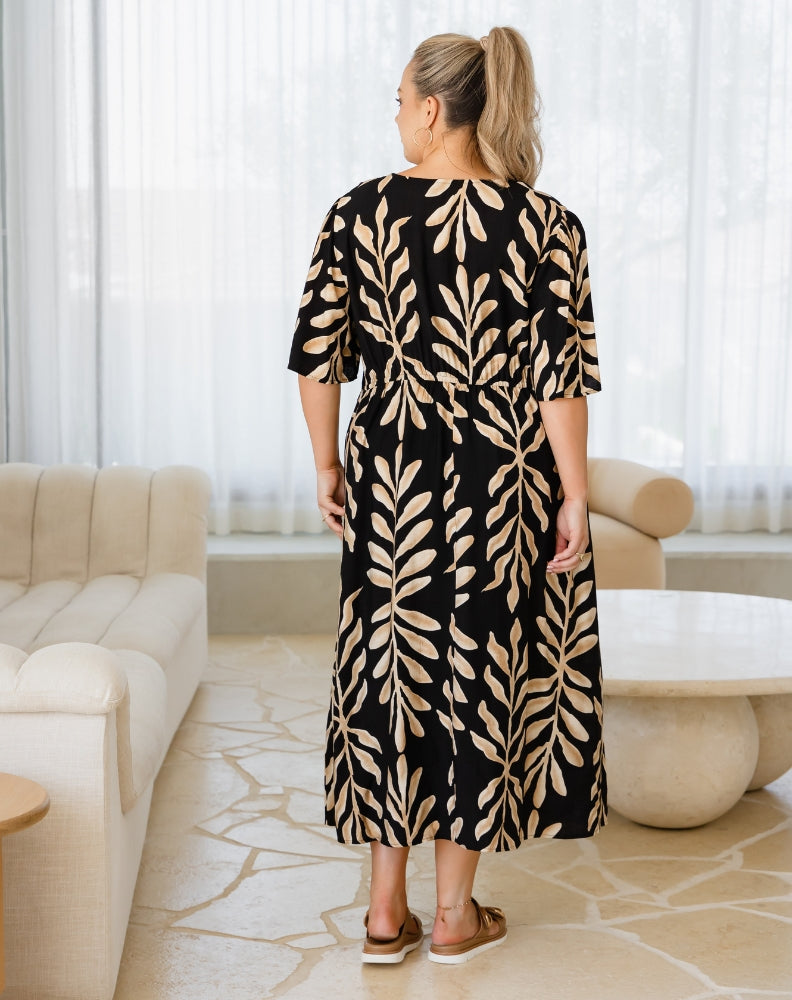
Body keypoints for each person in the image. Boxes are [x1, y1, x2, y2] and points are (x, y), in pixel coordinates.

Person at [286, 25, 607, 966]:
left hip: (392, 471)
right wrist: (576, 495)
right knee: (475, 671)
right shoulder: (550, 226)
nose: (394, 117)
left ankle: (385, 918)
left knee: (394, 667)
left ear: (433, 109)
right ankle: (456, 914)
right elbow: (561, 380)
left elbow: (316, 362)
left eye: (398, 101)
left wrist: (327, 465)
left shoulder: (359, 214)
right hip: (502, 475)